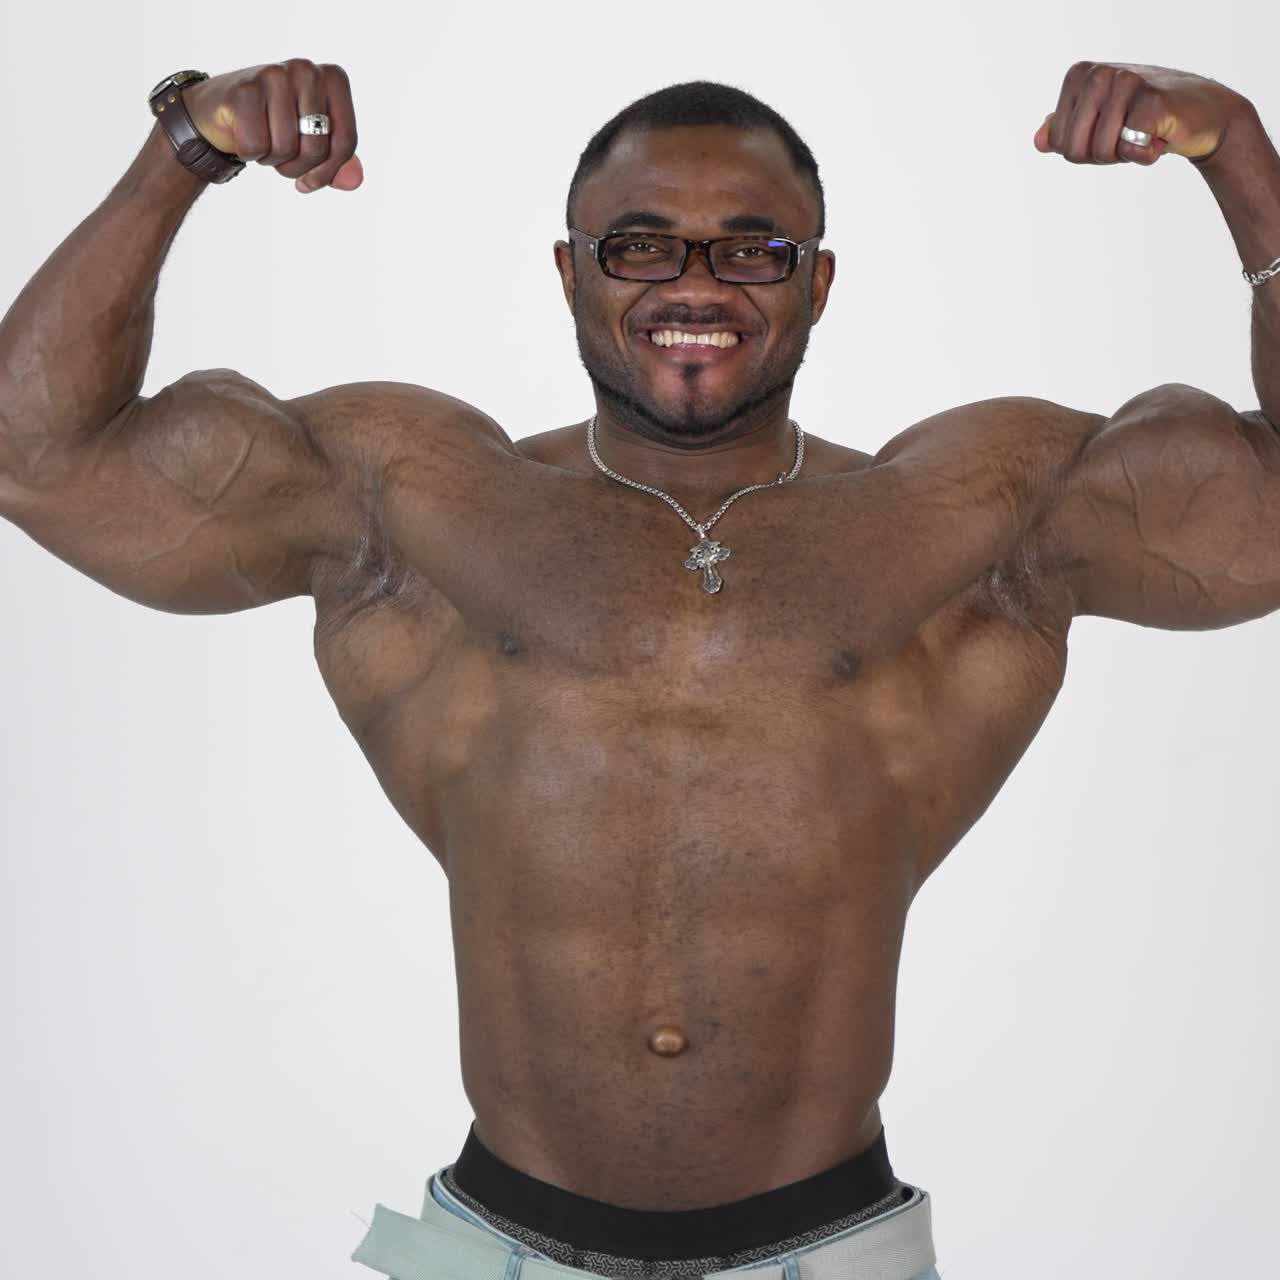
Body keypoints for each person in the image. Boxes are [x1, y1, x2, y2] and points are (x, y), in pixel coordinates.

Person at [1, 56, 1276, 1280]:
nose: (695, 282)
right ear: (568, 272)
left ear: (817, 282)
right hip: (493, 1245)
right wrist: (187, 148)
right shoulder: (410, 500)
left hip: (828, 1251)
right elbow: (37, 456)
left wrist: (1236, 149)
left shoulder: (970, 516)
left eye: (752, 248)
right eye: (640, 242)